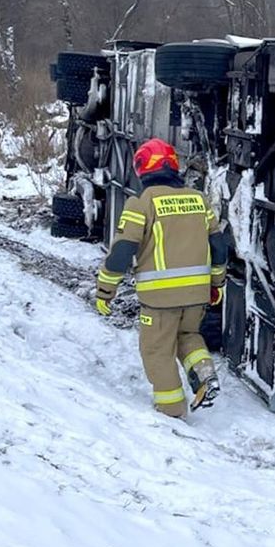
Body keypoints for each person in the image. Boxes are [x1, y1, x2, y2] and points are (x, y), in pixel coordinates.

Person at [94, 138, 228, 418]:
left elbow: (122, 251)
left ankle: (171, 411)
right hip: (196, 295)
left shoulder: (140, 204)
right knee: (188, 335)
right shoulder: (198, 199)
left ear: (142, 168)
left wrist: (106, 290)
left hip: (160, 299)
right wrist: (217, 284)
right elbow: (218, 246)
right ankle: (204, 376)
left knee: (156, 351)